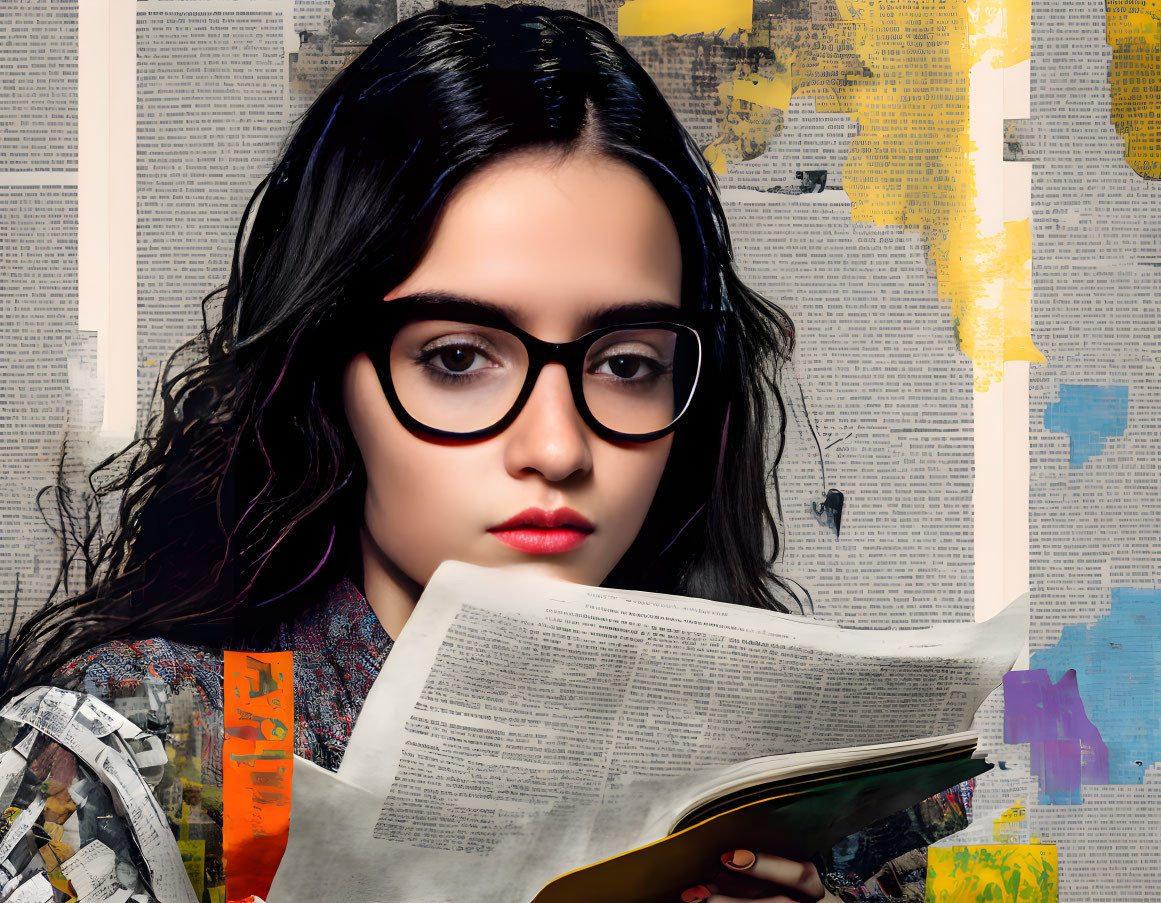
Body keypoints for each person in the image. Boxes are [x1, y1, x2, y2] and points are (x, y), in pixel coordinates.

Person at [0, 5, 962, 901]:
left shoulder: (815, 795)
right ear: (329, 376)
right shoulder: (178, 742)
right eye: (458, 358)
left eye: (627, 363)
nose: (556, 446)